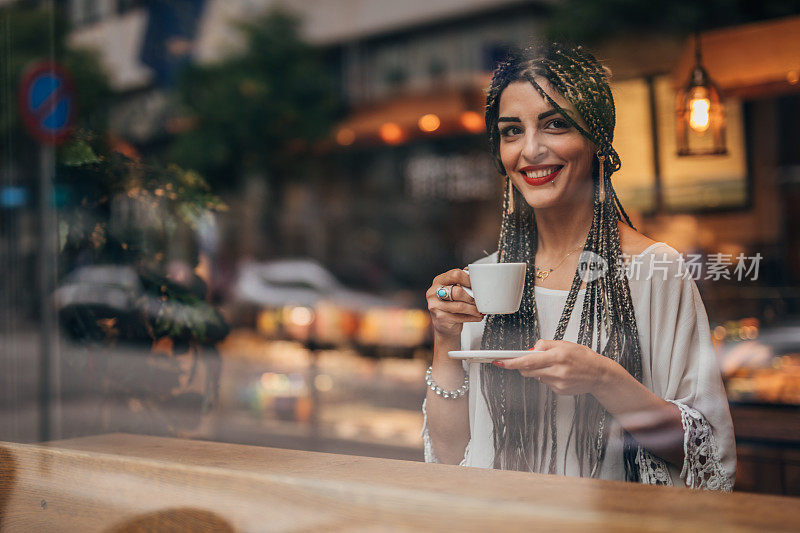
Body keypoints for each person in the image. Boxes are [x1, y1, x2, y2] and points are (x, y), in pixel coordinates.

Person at [421, 43, 736, 490]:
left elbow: (706, 458)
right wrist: (444, 339)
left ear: (597, 139)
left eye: (554, 125)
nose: (530, 150)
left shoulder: (654, 270)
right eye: (512, 131)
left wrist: (603, 378)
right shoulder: (486, 280)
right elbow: (451, 455)